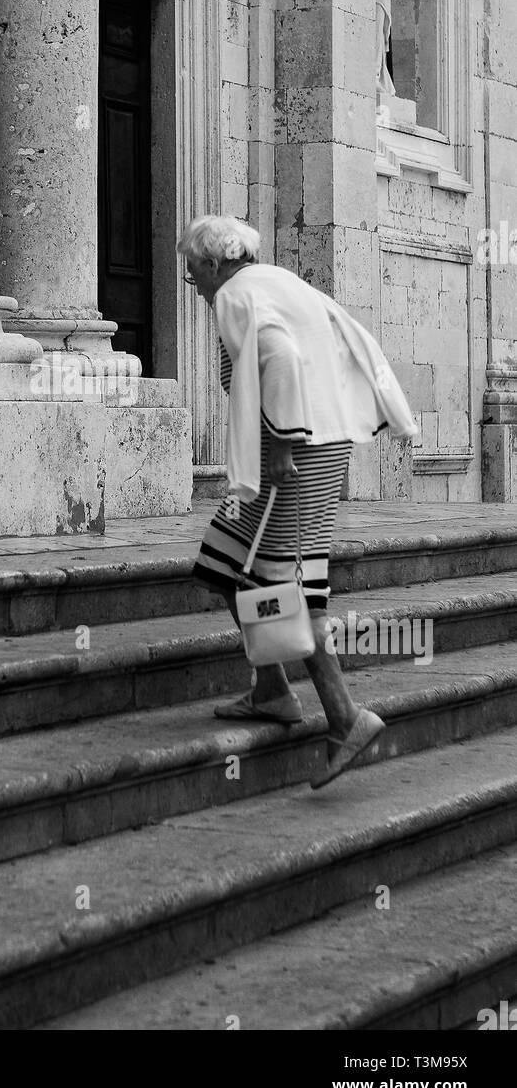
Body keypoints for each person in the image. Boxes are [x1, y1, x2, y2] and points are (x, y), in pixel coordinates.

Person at [178, 214, 418, 788]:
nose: (190, 280)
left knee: (283, 585)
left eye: (192, 268)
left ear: (214, 263)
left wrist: (285, 441)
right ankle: (272, 689)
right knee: (227, 562)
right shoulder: (280, 281)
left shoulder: (235, 294)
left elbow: (281, 359)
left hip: (289, 454)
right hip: (321, 444)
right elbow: (349, 338)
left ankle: (345, 717)